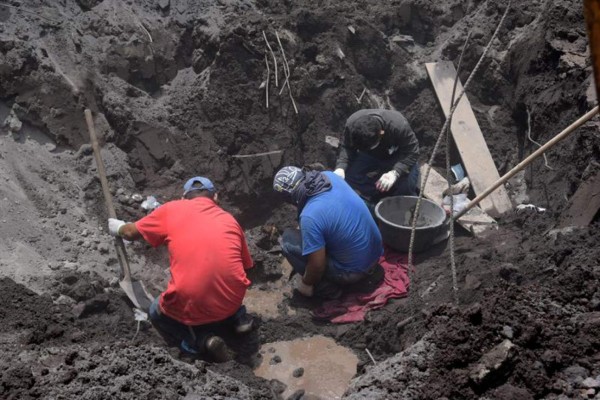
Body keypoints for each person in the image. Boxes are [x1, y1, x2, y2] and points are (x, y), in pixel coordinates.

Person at [107, 176, 254, 362]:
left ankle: (201, 341)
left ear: (184, 198)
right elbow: (246, 268)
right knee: (225, 280)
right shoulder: (230, 220)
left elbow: (130, 233)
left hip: (196, 304)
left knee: (155, 312)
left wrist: (118, 227)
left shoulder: (172, 209)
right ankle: (238, 319)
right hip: (231, 301)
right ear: (215, 197)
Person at [273, 166, 383, 299]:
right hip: (376, 254)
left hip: (355, 271)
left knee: (287, 240)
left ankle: (328, 290)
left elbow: (317, 266)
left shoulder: (310, 216)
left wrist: (305, 284)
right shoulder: (329, 177)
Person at [334, 109, 420, 205]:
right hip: (371, 156)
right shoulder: (352, 124)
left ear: (381, 133)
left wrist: (395, 173)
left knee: (406, 188)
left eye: (371, 147)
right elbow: (347, 147)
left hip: (398, 156)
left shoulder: (398, 126)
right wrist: (341, 167)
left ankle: (395, 196)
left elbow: (413, 152)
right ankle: (375, 195)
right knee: (348, 178)